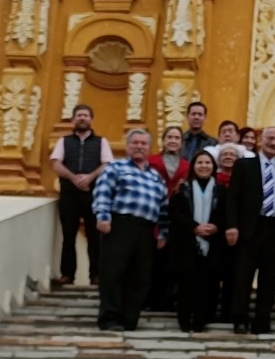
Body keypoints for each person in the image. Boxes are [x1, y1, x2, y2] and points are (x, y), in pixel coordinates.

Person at [92, 128, 168, 331]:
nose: (139, 147)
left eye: (143, 144)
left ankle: (129, 319)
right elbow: (102, 193)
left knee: (140, 276)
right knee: (113, 272)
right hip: (120, 224)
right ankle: (109, 317)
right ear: (127, 146)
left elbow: (163, 207)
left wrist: (162, 233)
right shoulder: (116, 168)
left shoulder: (155, 177)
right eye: (135, 143)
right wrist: (103, 217)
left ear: (149, 148)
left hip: (146, 229)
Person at [225, 125, 275, 334]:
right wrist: (232, 226)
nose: (273, 143)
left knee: (269, 278)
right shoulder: (244, 165)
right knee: (243, 277)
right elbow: (233, 198)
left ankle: (262, 320)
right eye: (269, 138)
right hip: (249, 228)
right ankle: (240, 318)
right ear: (260, 140)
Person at [50, 104, 114, 287]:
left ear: (91, 120)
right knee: (68, 234)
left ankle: (96, 274)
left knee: (95, 236)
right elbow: (55, 163)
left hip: (93, 192)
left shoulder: (101, 142)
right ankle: (68, 274)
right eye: (79, 115)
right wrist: (74, 178)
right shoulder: (64, 141)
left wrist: (89, 178)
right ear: (73, 119)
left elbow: (107, 164)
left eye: (85, 115)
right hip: (69, 193)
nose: (82, 118)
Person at [169, 150, 226, 332]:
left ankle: (201, 320)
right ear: (193, 166)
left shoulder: (221, 191)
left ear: (213, 167)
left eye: (208, 163)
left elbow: (227, 215)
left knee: (208, 284)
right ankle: (185, 321)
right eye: (200, 163)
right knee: (187, 284)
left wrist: (216, 227)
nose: (204, 166)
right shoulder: (182, 189)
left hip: (213, 244)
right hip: (188, 243)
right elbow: (176, 214)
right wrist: (194, 227)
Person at [146, 125, 190, 310]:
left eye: (177, 138)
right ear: (163, 140)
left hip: (176, 216)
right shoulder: (151, 161)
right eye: (170, 137)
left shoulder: (187, 165)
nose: (173, 140)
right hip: (154, 212)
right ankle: (148, 299)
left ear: (181, 142)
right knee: (151, 258)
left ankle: (168, 298)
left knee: (172, 260)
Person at [213, 143, 240, 323]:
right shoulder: (212, 179)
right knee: (214, 273)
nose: (228, 156)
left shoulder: (242, 179)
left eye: (232, 154)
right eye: (225, 154)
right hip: (215, 232)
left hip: (237, 233)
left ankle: (229, 311)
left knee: (234, 273)